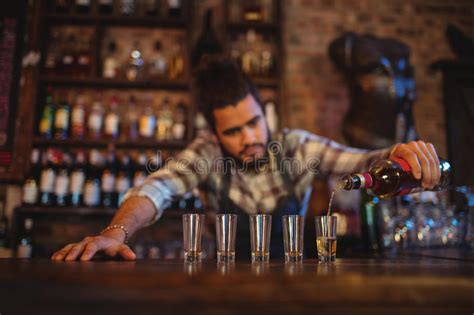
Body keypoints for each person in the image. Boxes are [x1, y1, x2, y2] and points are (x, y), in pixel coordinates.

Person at [52, 56, 442, 261]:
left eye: (254, 122)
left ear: (263, 111)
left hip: (293, 286)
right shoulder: (205, 154)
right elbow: (156, 189)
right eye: (234, 131)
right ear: (216, 133)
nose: (251, 137)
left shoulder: (295, 147)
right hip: (218, 287)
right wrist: (113, 234)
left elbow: (359, 160)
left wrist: (397, 153)